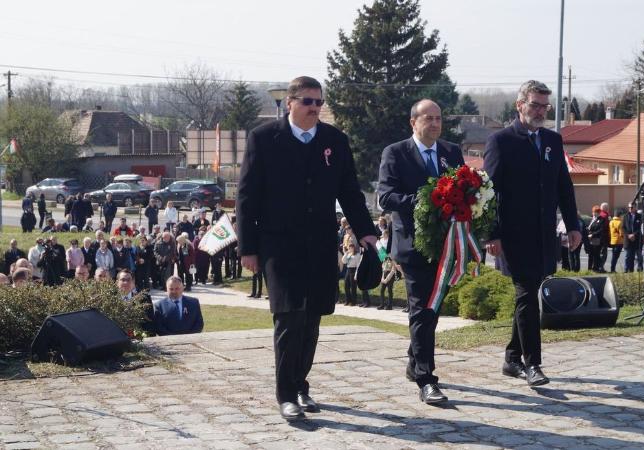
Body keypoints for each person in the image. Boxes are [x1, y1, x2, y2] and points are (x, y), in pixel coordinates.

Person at [237, 76, 377, 420]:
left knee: (312, 317)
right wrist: (248, 248)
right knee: (289, 316)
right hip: (278, 244)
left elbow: (350, 192)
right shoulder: (264, 138)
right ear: (290, 103)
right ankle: (286, 393)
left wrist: (366, 233)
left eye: (319, 102)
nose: (315, 108)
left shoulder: (334, 140)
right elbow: (247, 196)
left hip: (318, 243)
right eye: (307, 102)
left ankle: (301, 386)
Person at [483, 80, 581, 389]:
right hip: (513, 236)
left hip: (544, 234)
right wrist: (492, 234)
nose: (540, 111)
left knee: (528, 295)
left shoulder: (553, 139)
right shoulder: (501, 141)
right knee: (528, 294)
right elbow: (489, 192)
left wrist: (573, 224)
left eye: (544, 106)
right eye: (535, 105)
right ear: (519, 105)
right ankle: (532, 363)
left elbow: (563, 186)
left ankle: (512, 357)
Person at [377, 98, 464, 405]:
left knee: (432, 309)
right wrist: (423, 199)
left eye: (439, 118)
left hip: (446, 245)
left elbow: (464, 190)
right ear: (413, 122)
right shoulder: (396, 153)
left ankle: (415, 360)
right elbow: (385, 197)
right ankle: (427, 379)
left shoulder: (452, 152)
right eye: (428, 118)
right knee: (421, 308)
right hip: (411, 246)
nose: (435, 123)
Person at [622, 202, 643, 272]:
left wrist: (634, 234)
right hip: (628, 240)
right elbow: (623, 228)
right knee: (628, 256)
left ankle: (639, 269)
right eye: (629, 207)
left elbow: (641, 227)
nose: (630, 209)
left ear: (635, 207)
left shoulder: (639, 216)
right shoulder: (625, 216)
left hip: (637, 239)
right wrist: (628, 235)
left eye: (631, 207)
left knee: (638, 256)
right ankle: (627, 269)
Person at [587, 206, 606, 272]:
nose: (594, 213)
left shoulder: (601, 219)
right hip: (590, 239)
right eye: (593, 212)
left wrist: (592, 234)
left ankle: (595, 268)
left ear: (598, 212)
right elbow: (589, 228)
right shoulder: (592, 219)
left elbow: (601, 229)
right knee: (590, 254)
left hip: (597, 239)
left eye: (595, 212)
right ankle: (589, 268)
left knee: (596, 254)